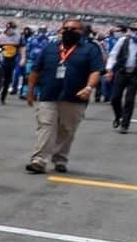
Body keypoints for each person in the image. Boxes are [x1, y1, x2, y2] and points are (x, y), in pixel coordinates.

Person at [24, 16, 103, 174]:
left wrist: (88, 88)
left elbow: (96, 71)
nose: (68, 32)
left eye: (73, 29)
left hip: (75, 97)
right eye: (65, 29)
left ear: (81, 31)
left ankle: (60, 158)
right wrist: (30, 91)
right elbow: (35, 70)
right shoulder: (49, 48)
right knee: (46, 126)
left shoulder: (90, 49)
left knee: (67, 129)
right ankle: (39, 160)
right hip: (48, 94)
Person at [106, 20, 137, 133]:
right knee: (115, 98)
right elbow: (113, 55)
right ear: (131, 30)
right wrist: (109, 69)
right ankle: (119, 116)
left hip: (135, 74)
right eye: (135, 30)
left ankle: (125, 125)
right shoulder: (123, 40)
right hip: (122, 72)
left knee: (129, 100)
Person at [0, 21, 21, 104]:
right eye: (9, 28)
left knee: (7, 80)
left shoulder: (18, 37)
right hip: (1, 60)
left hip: (11, 61)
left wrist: (22, 58)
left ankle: (3, 98)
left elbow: (22, 48)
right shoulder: (0, 37)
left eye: (13, 29)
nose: (11, 30)